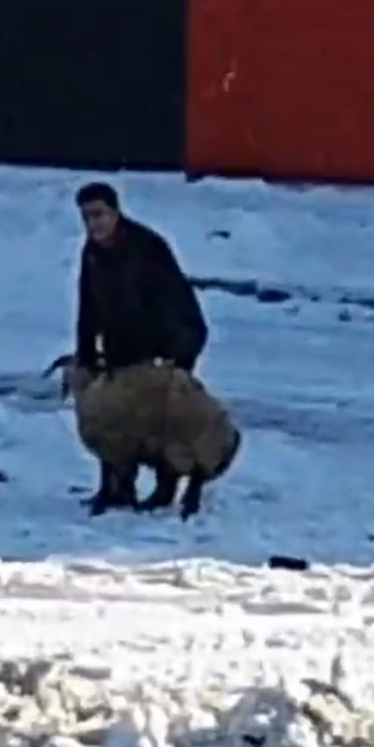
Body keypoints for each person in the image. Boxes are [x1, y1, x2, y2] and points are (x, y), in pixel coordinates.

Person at [71, 182, 211, 509]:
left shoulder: (147, 248)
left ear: (116, 213)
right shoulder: (92, 253)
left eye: (99, 214)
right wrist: (87, 355)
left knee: (160, 421)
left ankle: (166, 488)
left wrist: (172, 357)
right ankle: (116, 486)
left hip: (167, 344)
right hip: (124, 345)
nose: (94, 224)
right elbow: (88, 307)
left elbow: (172, 304)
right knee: (112, 416)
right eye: (87, 217)